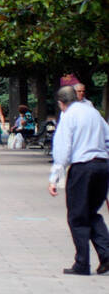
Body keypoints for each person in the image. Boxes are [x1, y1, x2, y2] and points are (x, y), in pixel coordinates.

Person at [47, 85, 109, 275]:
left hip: (83, 167)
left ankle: (82, 263)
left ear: (61, 103)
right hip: (102, 165)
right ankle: (106, 256)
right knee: (92, 212)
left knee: (77, 215)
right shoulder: (94, 113)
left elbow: (63, 149)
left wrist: (54, 177)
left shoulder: (68, 116)